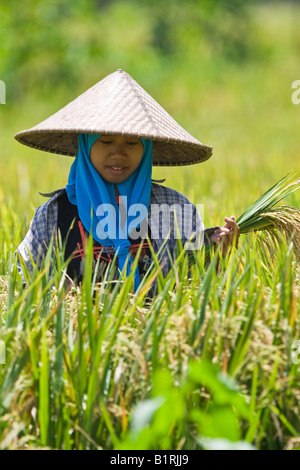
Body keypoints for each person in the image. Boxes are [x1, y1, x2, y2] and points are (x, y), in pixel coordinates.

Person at [15, 69, 239, 293]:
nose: (118, 153)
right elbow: (20, 280)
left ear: (147, 149)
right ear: (86, 146)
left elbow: (194, 285)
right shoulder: (55, 214)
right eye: (106, 141)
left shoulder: (172, 209)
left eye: (132, 143)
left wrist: (217, 255)